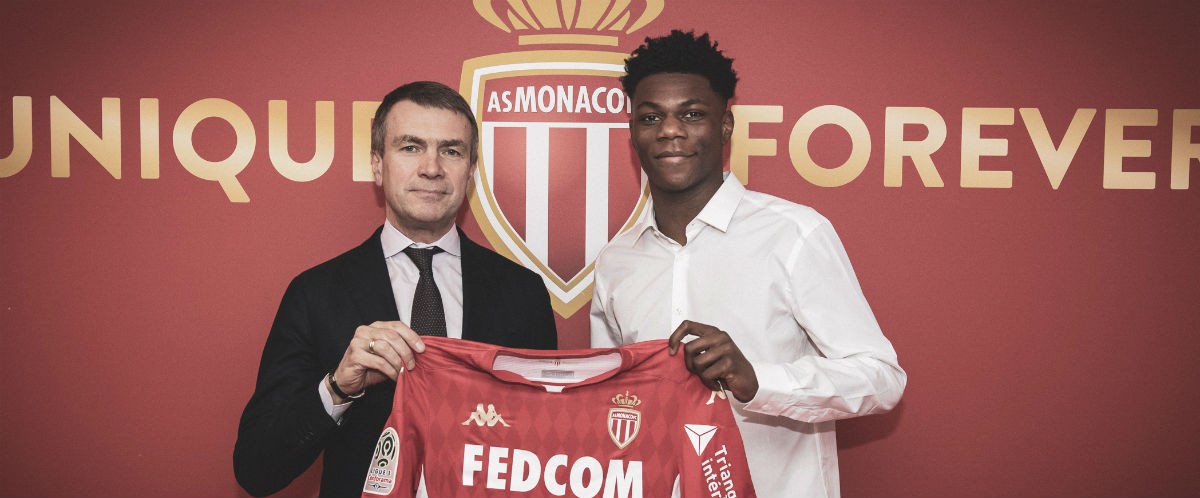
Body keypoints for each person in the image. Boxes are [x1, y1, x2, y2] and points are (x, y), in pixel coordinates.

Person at [589, 31, 906, 497]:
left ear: (725, 126)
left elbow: (882, 378)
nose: (669, 130)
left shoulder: (793, 234)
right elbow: (610, 402)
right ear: (633, 133)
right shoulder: (617, 260)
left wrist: (759, 380)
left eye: (691, 114)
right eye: (650, 117)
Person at [234, 81, 558, 498]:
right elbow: (256, 468)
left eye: (451, 151)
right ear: (377, 164)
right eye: (410, 147)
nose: (431, 168)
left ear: (471, 171)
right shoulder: (315, 294)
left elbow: (548, 446)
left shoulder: (523, 293)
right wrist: (338, 388)